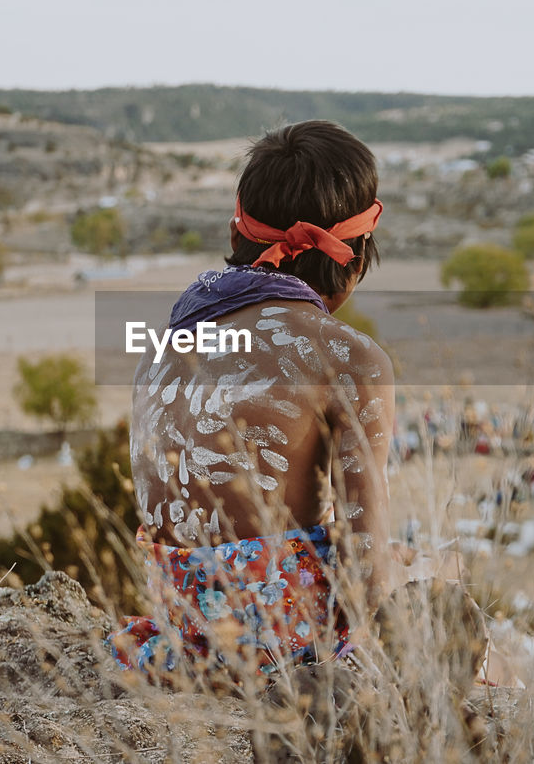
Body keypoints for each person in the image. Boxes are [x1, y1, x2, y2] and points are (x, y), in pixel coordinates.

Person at [110, 120, 395, 678]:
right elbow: (370, 575)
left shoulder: (162, 348)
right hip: (285, 659)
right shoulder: (347, 359)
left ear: (236, 230)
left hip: (177, 645)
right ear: (355, 254)